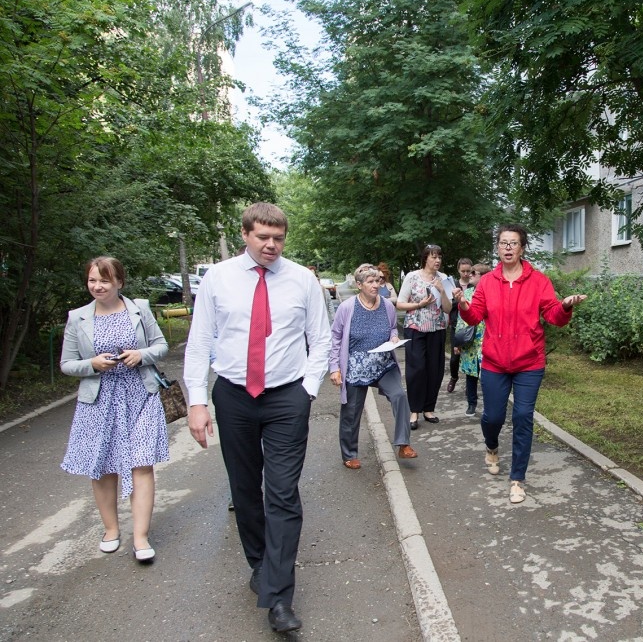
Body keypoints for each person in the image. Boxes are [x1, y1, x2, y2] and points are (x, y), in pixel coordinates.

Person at [183, 202, 332, 633]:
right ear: (246, 233)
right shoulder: (218, 278)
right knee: (245, 490)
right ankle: (259, 565)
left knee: (283, 493)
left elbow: (319, 341)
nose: (271, 245)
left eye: (278, 238)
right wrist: (197, 401)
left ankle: (279, 596)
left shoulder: (303, 281)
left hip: (287, 397)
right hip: (234, 395)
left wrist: (307, 391)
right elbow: (200, 341)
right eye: (263, 237)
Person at [454, 225, 587, 504]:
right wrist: (464, 307)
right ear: (498, 248)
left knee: (523, 417)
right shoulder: (488, 282)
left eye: (513, 243)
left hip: (529, 361)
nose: (508, 248)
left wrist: (564, 306)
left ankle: (517, 479)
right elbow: (475, 315)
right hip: (494, 361)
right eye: (503, 243)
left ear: (522, 248)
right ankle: (491, 446)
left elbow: (552, 314)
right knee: (492, 417)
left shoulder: (538, 281)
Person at [60, 256, 169, 563]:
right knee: (104, 466)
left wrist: (141, 355)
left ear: (119, 282)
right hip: (98, 400)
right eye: (93, 280)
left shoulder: (139, 309)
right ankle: (110, 529)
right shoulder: (77, 317)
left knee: (141, 463)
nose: (97, 286)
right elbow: (66, 365)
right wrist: (92, 364)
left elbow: (160, 346)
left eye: (104, 281)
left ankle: (141, 537)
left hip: (140, 395)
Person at [329, 264, 416, 468]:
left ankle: (403, 444)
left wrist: (394, 337)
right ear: (359, 285)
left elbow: (393, 328)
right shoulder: (348, 307)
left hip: (383, 363)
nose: (376, 285)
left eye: (377, 280)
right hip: (356, 365)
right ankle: (349, 454)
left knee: (399, 396)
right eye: (370, 281)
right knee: (351, 411)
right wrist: (335, 367)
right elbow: (335, 337)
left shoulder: (386, 305)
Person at [397, 244, 453, 430]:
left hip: (437, 330)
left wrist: (443, 291)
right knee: (417, 370)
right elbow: (399, 304)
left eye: (439, 257)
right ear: (425, 259)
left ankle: (429, 408)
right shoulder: (412, 277)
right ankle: (414, 410)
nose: (437, 260)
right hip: (416, 329)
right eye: (433, 257)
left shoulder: (444, 278)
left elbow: (448, 308)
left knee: (434, 371)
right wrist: (420, 304)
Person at [453, 263, 489, 417]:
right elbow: (461, 318)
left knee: (488, 375)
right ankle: (472, 403)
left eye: (474, 272)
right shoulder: (466, 293)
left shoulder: (491, 292)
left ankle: (489, 405)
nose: (470, 275)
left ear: (484, 276)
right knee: (470, 374)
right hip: (470, 339)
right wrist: (458, 342)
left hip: (487, 340)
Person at [447, 257, 475, 393]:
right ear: (458, 270)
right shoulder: (453, 285)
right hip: (455, 325)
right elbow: (447, 305)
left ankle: (471, 384)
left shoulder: (474, 285)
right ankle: (454, 377)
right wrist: (459, 300)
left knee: (471, 354)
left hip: (471, 325)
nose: (465, 274)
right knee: (455, 356)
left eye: (468, 271)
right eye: (463, 271)